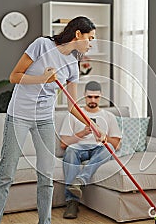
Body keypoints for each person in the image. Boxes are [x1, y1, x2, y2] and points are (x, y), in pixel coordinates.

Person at [0, 17, 100, 224]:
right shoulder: (42, 45)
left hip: (44, 121)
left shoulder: (73, 65)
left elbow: (72, 105)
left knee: (46, 176)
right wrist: (43, 79)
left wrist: (90, 123)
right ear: (77, 35)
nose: (91, 44)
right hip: (19, 116)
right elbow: (14, 76)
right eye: (90, 38)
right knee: (6, 174)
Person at [59, 81, 122, 219]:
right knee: (70, 151)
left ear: (101, 97)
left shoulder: (108, 116)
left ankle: (80, 181)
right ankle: (72, 203)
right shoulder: (73, 115)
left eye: (96, 97)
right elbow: (63, 144)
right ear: (84, 96)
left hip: (99, 149)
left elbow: (116, 145)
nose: (93, 100)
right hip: (78, 148)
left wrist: (104, 137)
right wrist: (82, 133)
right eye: (89, 97)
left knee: (109, 148)